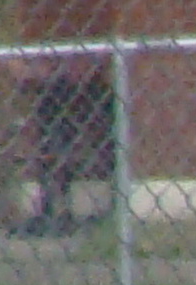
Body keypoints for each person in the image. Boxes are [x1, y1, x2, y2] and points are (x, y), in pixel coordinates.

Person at [10, 0, 117, 239]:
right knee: (51, 129)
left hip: (91, 83)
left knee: (80, 132)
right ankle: (52, 206)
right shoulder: (38, 17)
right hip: (55, 84)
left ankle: (77, 206)